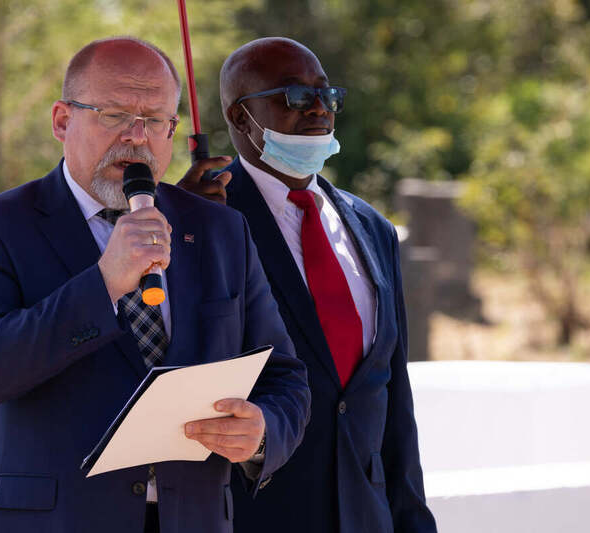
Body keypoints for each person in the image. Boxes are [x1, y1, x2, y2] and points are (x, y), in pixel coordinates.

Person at [0, 37, 310, 533]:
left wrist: (262, 432)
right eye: (114, 115)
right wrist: (104, 283)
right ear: (62, 120)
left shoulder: (221, 230)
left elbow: (284, 376)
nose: (136, 137)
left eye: (155, 120)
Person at [182, 37, 436, 532]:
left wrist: (412, 521)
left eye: (328, 95)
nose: (319, 109)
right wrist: (185, 231)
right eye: (296, 97)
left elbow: (392, 398)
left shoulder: (372, 228)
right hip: (251, 515)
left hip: (365, 515)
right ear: (240, 117)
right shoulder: (201, 216)